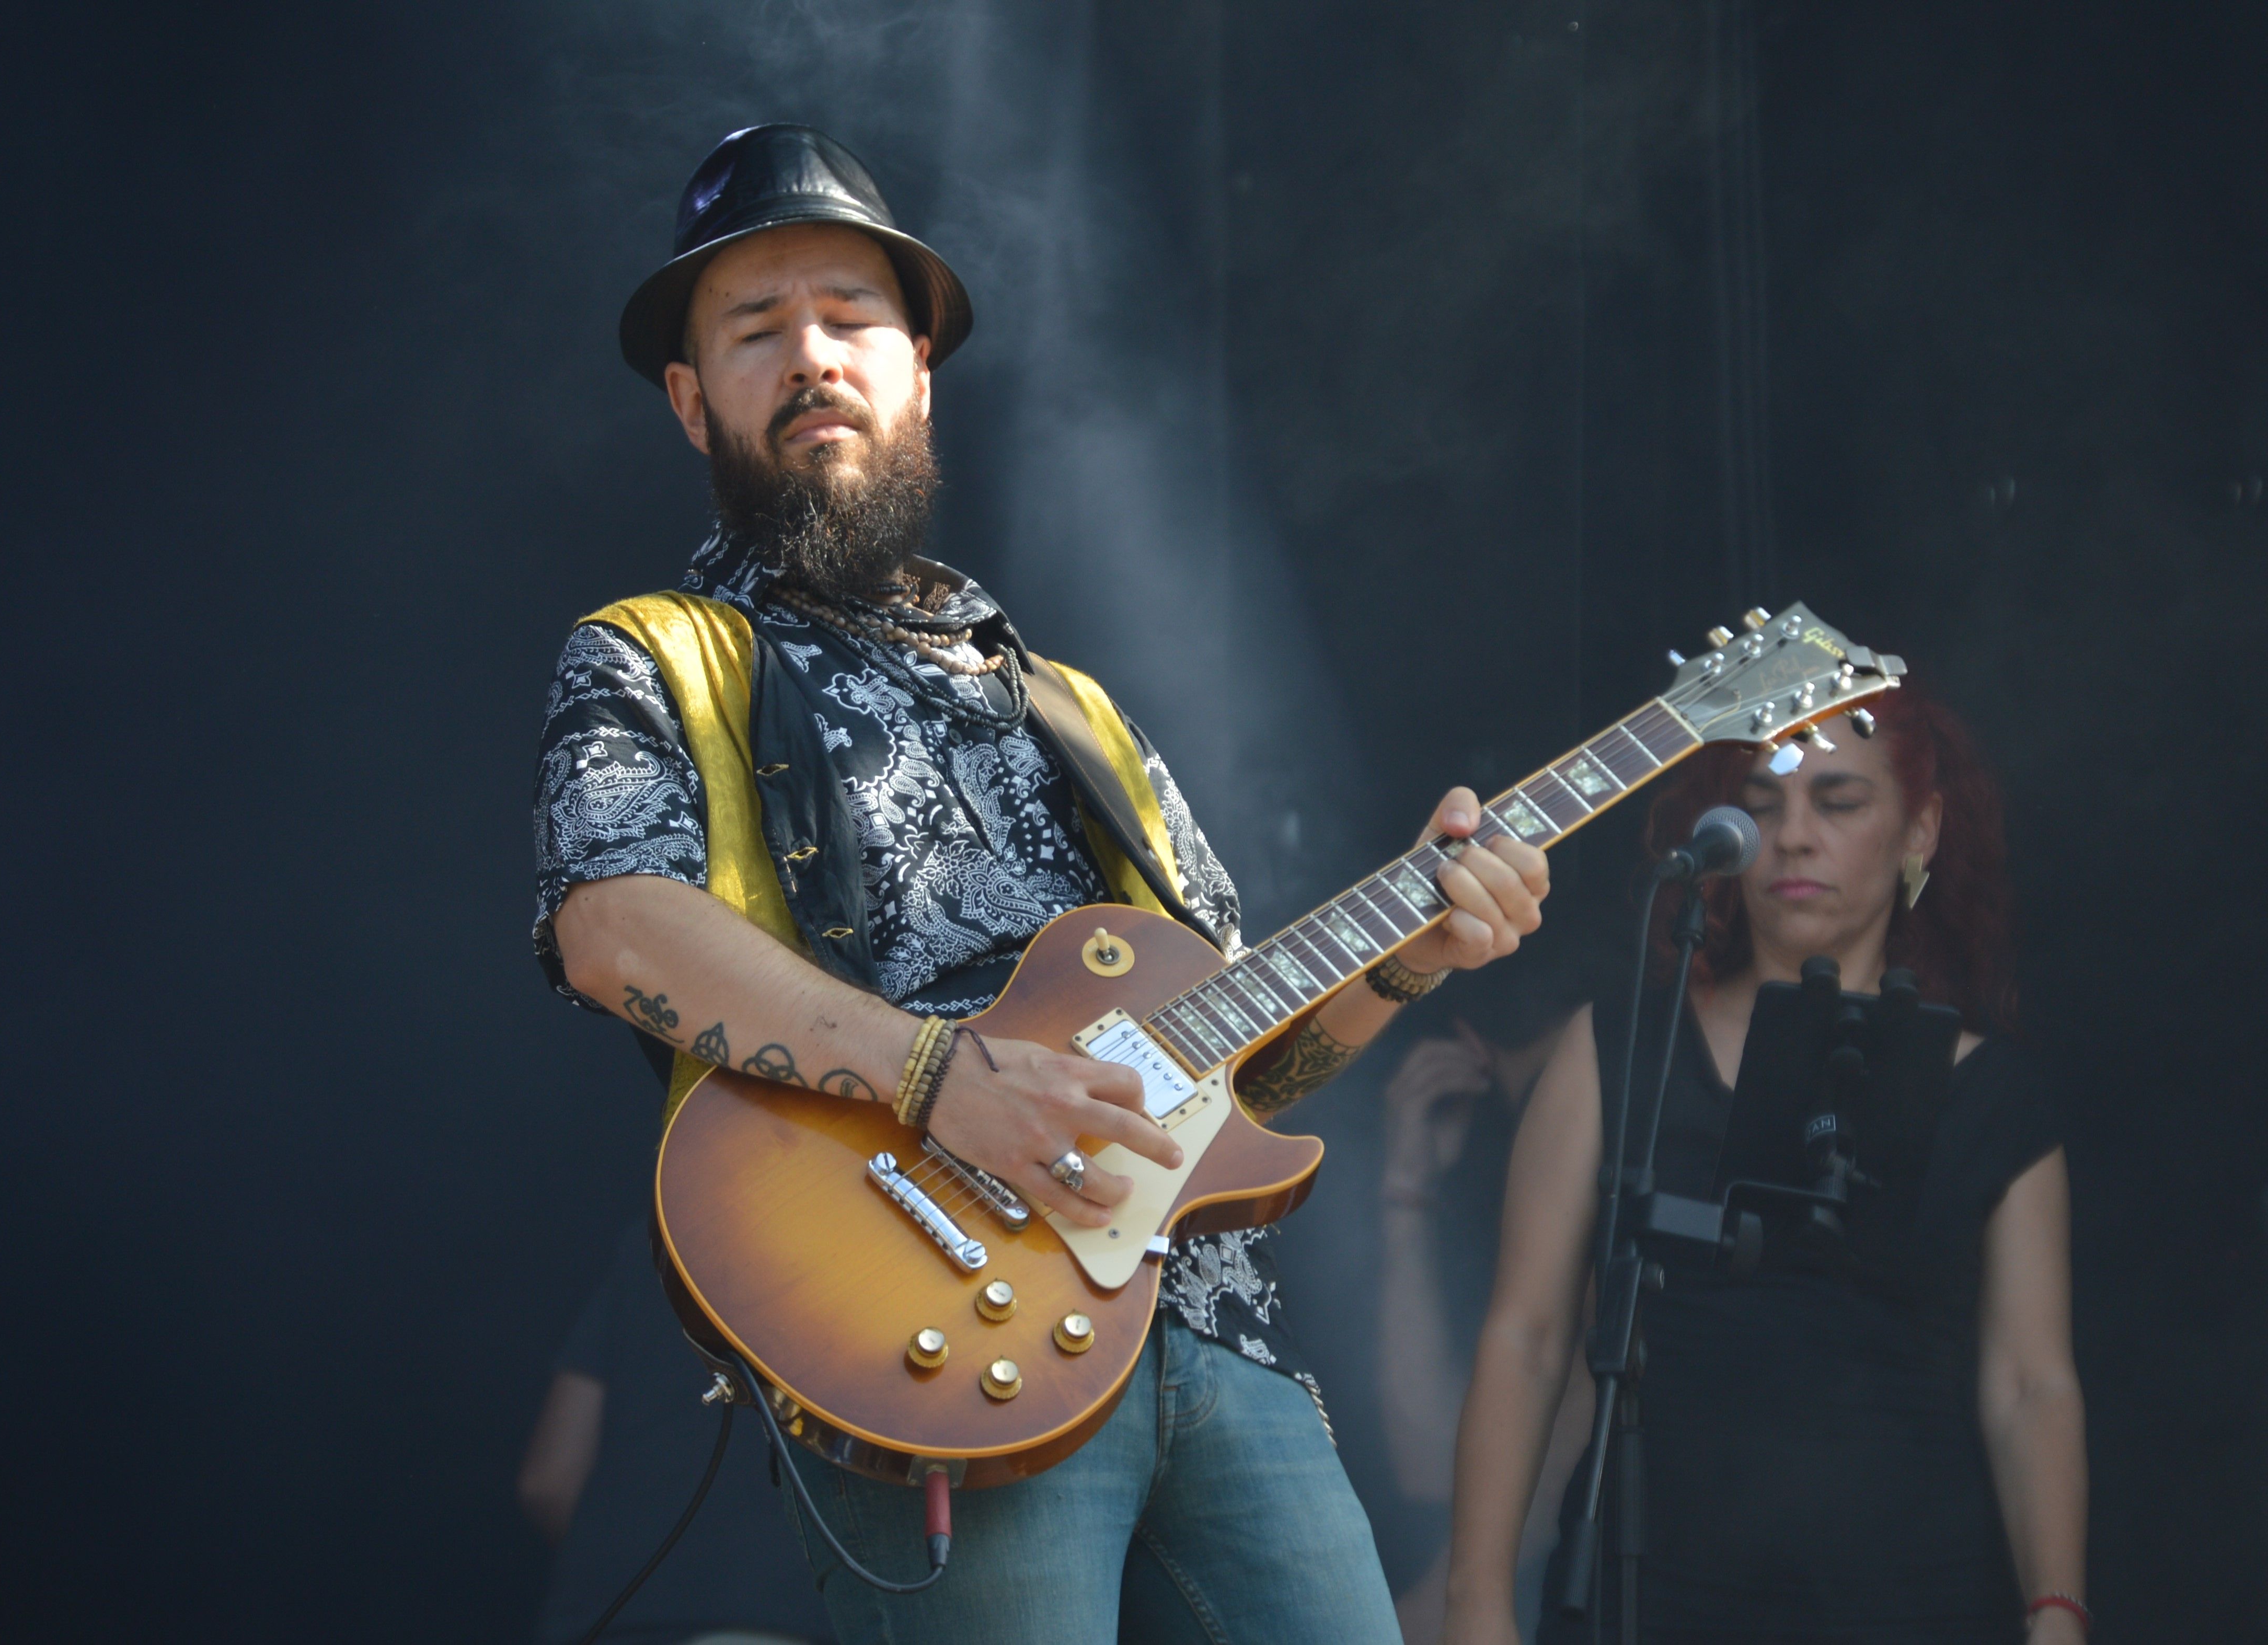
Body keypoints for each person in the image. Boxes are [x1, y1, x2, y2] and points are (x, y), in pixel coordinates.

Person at [531, 125, 1552, 1645]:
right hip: (930, 1322)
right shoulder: (655, 655)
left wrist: (1409, 948)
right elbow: (610, 922)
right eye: (755, 330)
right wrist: (941, 1074)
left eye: (849, 317)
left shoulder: (1074, 707)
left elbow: (1249, 1049)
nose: (809, 354)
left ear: (920, 367)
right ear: (691, 403)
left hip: (1216, 1335)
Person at [1443, 686, 2088, 1644]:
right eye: (1763, 800)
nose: (1791, 836)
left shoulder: (1994, 1094)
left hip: (1918, 1599)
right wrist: (1476, 1603)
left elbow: (2029, 1381)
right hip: (1651, 1590)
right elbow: (1526, 1337)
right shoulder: (1615, 1048)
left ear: (1919, 832)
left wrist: (2056, 1611)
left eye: (1837, 802)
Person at [1374, 982, 1583, 1645]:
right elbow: (1428, 1456)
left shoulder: (1623, 1148)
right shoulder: (1475, 1157)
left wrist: (1452, 1602)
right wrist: (1408, 1189)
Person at [516, 1222, 827, 1645]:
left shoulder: (656, 1245)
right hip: (785, 1616)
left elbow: (549, 1482)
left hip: (613, 1618)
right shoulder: (888, 1272)